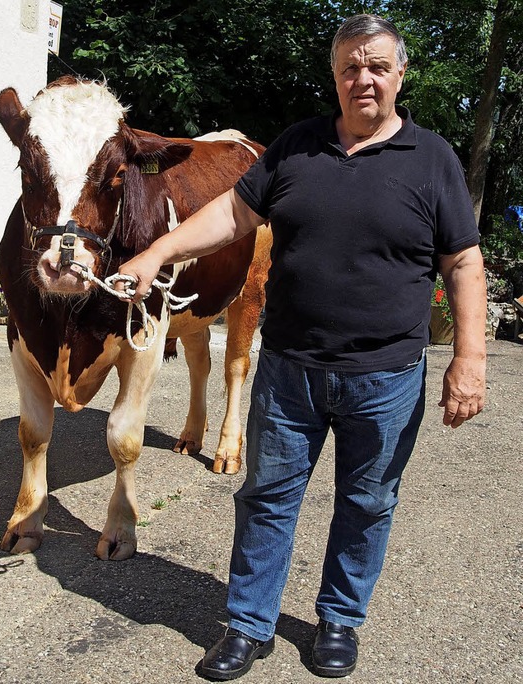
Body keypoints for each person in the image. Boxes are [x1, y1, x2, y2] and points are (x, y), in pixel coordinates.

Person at [117, 13, 487, 680]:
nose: (363, 78)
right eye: (350, 66)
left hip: (386, 375)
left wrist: (470, 358)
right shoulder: (296, 146)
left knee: (367, 504)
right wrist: (158, 251)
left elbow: (462, 262)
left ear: (400, 74)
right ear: (336, 76)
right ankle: (249, 625)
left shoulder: (434, 160)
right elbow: (233, 214)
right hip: (290, 369)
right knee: (266, 497)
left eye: (377, 65)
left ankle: (340, 621)